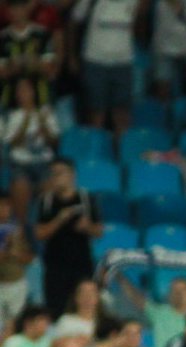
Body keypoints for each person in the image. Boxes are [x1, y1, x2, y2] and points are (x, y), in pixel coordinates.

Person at [34, 159, 101, 318]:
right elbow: (39, 234)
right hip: (55, 266)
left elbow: (99, 231)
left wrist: (87, 227)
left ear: (72, 175)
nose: (56, 177)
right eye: (53, 174)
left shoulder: (86, 198)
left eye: (60, 173)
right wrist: (59, 220)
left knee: (84, 310)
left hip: (81, 264)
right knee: (55, 311)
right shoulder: (46, 201)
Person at [71, 0, 146, 133]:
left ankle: (121, 151)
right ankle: (96, 149)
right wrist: (72, 55)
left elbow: (139, 25)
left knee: (122, 116)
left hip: (123, 63)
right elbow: (74, 23)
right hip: (95, 61)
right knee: (96, 114)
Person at [3, 76, 59, 224]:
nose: (23, 93)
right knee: (20, 186)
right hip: (20, 165)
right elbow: (11, 143)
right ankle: (22, 231)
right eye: (19, 90)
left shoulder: (46, 112)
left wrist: (44, 126)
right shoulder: (13, 116)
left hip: (44, 163)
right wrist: (25, 122)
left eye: (26, 89)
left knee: (51, 188)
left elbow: (55, 142)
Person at [0, 194, 35, 335]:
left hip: (17, 284)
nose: (3, 209)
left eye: (6, 206)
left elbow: (30, 257)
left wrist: (17, 253)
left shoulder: (19, 230)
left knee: (16, 325)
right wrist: (7, 248)